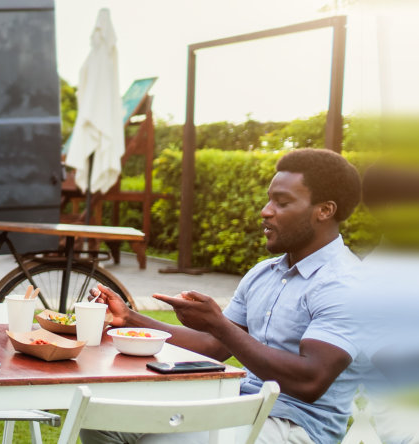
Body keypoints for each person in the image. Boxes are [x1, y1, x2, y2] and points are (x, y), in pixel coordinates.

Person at [86, 148, 366, 444]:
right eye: (269, 199)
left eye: (282, 202)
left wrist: (218, 324)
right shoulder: (264, 273)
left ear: (325, 210)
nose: (266, 210)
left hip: (296, 425)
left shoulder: (346, 284)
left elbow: (310, 381)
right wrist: (129, 317)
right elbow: (213, 345)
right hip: (237, 402)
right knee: (102, 419)